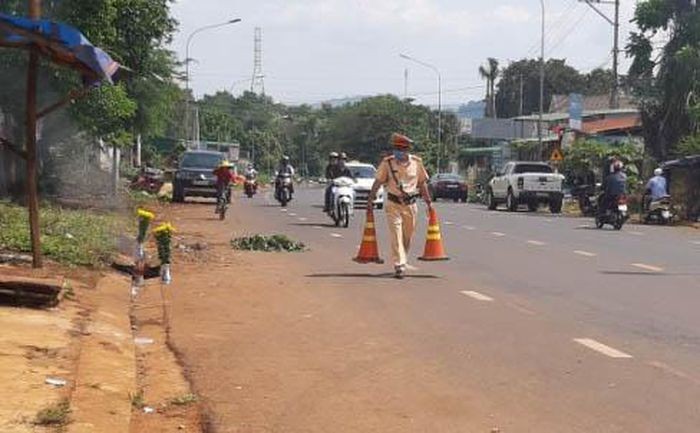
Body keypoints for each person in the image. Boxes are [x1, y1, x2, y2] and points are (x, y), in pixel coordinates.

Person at [368, 133, 432, 279]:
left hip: (411, 205)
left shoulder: (417, 163)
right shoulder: (387, 163)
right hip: (393, 204)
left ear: (408, 150)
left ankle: (402, 258)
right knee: (396, 234)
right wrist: (370, 200)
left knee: (407, 236)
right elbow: (378, 182)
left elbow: (422, 183)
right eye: (397, 148)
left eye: (403, 149)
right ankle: (399, 264)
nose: (399, 152)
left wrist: (429, 202)